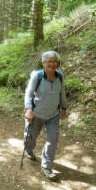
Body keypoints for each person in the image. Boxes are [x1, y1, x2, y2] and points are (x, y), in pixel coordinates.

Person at [24, 51, 67, 181]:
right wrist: (29, 109)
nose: (52, 64)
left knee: (52, 139)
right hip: (36, 114)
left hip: (53, 115)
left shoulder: (60, 76)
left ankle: (46, 166)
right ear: (44, 63)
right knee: (31, 137)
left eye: (54, 61)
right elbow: (29, 94)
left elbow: (62, 93)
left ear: (57, 63)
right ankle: (29, 150)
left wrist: (63, 107)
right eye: (49, 61)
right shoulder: (37, 76)